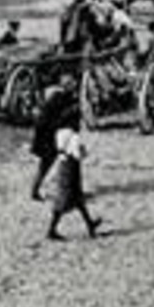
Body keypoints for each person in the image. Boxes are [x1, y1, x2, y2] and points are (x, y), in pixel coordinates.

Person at [42, 81, 101, 240]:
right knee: (67, 200)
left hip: (62, 166)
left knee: (75, 200)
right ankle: (51, 231)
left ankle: (90, 225)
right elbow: (78, 154)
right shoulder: (73, 136)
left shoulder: (60, 132)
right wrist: (84, 151)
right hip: (71, 168)